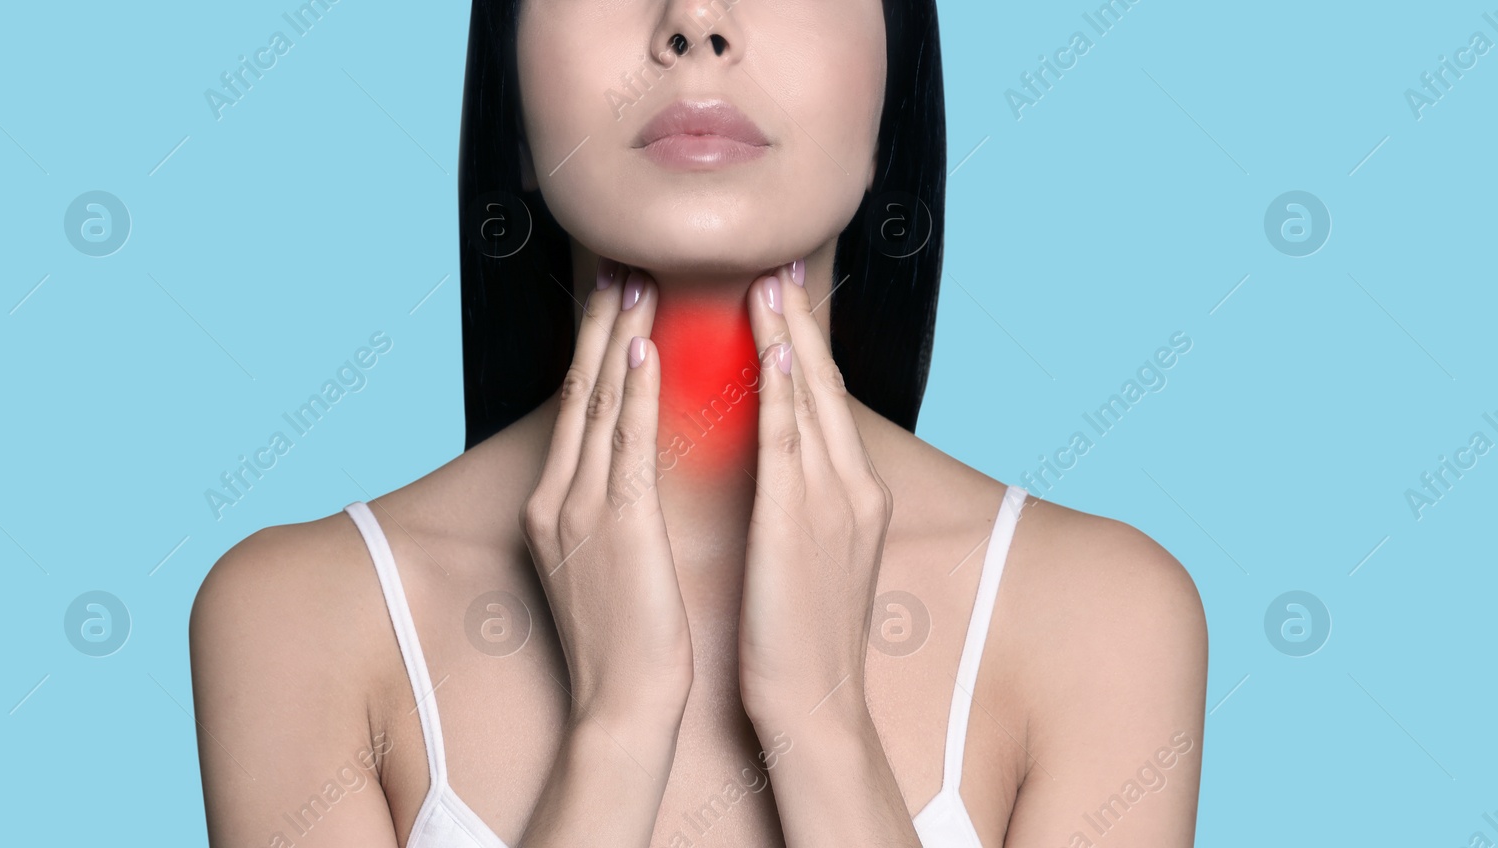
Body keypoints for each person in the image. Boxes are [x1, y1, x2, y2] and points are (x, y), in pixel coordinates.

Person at [190, 2, 1208, 846]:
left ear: (897, 68)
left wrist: (822, 724)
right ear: (507, 70)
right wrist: (617, 726)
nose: (695, 22)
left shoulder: (1103, 618)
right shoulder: (300, 616)